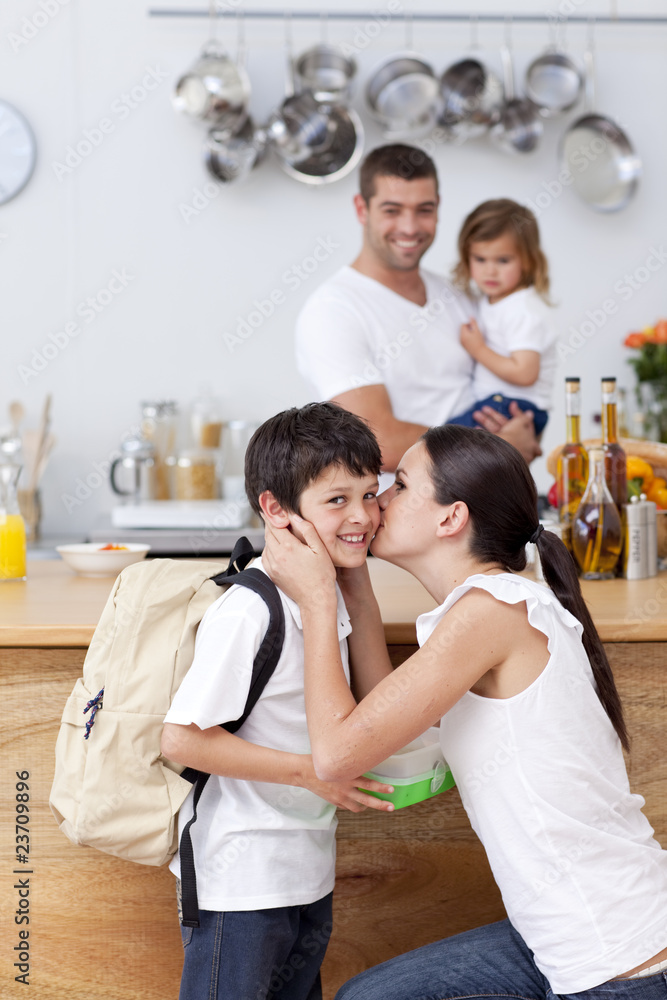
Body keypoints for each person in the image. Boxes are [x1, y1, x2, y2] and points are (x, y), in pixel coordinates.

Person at [262, 423, 667, 1000]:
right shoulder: (492, 605)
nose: (376, 503)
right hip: (561, 937)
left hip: (621, 963)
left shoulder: (491, 613)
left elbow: (336, 755)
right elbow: (392, 726)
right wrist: (352, 587)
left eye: (398, 485)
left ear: (451, 518)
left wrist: (318, 599)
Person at [160, 402, 394, 1000]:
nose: (363, 516)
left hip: (304, 872)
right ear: (275, 509)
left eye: (370, 495)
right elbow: (181, 739)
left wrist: (354, 579)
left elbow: (375, 701)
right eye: (337, 500)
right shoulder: (250, 608)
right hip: (240, 881)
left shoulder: (325, 594)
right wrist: (313, 774)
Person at [295, 143, 541, 472]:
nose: (410, 227)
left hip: (484, 504)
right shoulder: (333, 312)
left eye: (424, 210)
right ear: (361, 209)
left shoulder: (458, 297)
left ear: (438, 208)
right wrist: (499, 446)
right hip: (403, 516)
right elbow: (376, 441)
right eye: (392, 210)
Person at [447, 198, 557, 436]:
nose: (490, 270)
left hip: (515, 406)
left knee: (444, 440)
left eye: (503, 260)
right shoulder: (491, 301)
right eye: (480, 259)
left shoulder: (522, 309)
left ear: (527, 260)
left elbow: (525, 373)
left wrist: (477, 349)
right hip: (497, 402)